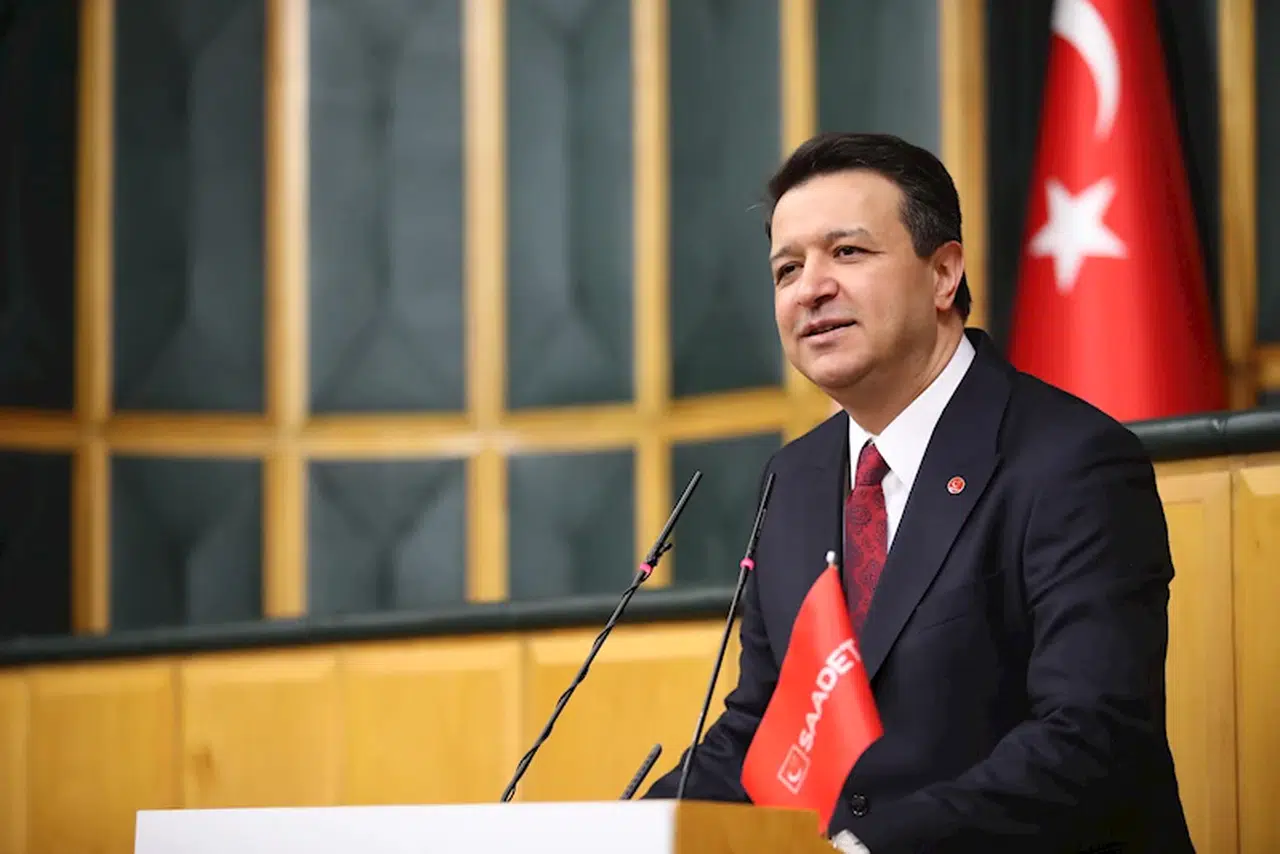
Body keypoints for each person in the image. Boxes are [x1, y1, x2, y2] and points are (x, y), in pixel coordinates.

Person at [643, 132, 1193, 854]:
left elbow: (1091, 738)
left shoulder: (1071, 462)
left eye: (847, 252)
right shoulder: (795, 480)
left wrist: (859, 848)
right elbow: (764, 729)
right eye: (787, 269)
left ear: (943, 274)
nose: (810, 288)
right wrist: (626, 834)